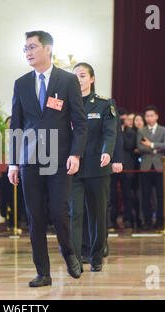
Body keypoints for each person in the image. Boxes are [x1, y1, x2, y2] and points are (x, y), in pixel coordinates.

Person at [8, 31, 87, 287]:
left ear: (48, 48)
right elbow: (17, 125)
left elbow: (80, 121)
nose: (28, 52)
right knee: (35, 217)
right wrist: (13, 162)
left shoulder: (67, 80)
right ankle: (43, 272)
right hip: (30, 158)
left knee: (59, 211)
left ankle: (70, 254)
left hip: (59, 157)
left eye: (32, 47)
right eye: (25, 48)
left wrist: (75, 153)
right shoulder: (20, 83)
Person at [69, 62, 117, 272]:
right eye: (75, 76)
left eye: (82, 76)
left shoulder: (104, 104)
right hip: (73, 167)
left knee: (97, 214)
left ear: (92, 79)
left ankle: (96, 255)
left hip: (97, 166)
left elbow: (110, 131)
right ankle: (76, 258)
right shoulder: (66, 103)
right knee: (74, 213)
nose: (78, 80)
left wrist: (107, 151)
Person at [137, 106, 165, 230]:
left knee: (160, 195)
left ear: (157, 116)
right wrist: (157, 148)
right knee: (145, 195)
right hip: (145, 166)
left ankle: (161, 220)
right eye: (147, 116)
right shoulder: (141, 131)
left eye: (152, 115)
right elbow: (140, 147)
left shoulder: (163, 130)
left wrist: (151, 145)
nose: (150, 118)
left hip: (159, 166)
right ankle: (147, 221)